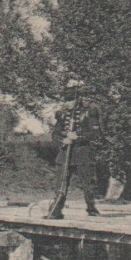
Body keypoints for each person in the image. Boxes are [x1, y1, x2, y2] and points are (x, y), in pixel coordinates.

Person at [47, 81, 105, 219]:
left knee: (88, 183)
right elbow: (55, 133)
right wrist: (63, 139)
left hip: (83, 152)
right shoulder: (61, 113)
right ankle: (56, 210)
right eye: (66, 99)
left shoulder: (90, 110)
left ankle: (91, 209)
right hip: (65, 152)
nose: (68, 103)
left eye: (71, 99)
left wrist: (77, 137)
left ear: (78, 98)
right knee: (61, 183)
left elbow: (95, 133)